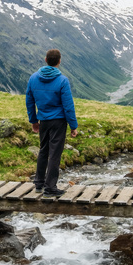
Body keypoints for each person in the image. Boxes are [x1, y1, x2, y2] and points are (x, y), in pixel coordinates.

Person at [25, 49, 78, 196]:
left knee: (43, 150)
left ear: (45, 60)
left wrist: (33, 120)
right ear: (59, 61)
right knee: (55, 154)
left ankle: (39, 184)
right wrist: (73, 126)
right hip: (59, 122)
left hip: (44, 121)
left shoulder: (33, 78)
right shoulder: (62, 80)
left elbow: (29, 101)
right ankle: (50, 188)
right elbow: (68, 105)